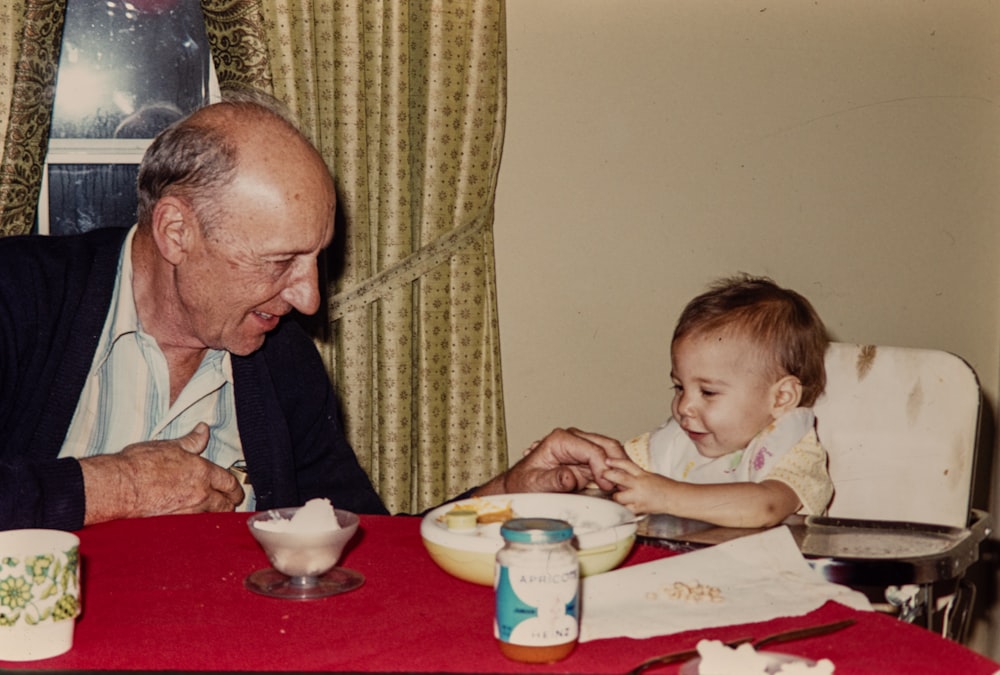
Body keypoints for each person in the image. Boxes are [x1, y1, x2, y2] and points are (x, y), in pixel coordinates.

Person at [0, 95, 621, 531]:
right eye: (279, 262)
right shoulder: (19, 293)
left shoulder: (276, 353)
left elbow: (361, 545)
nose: (309, 299)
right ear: (176, 232)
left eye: (316, 259)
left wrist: (503, 498)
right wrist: (120, 489)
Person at [583, 275, 833, 529]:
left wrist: (668, 496)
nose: (682, 407)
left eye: (708, 392)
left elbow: (766, 508)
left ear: (781, 397)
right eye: (679, 387)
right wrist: (586, 473)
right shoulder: (677, 441)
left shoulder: (793, 449)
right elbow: (612, 479)